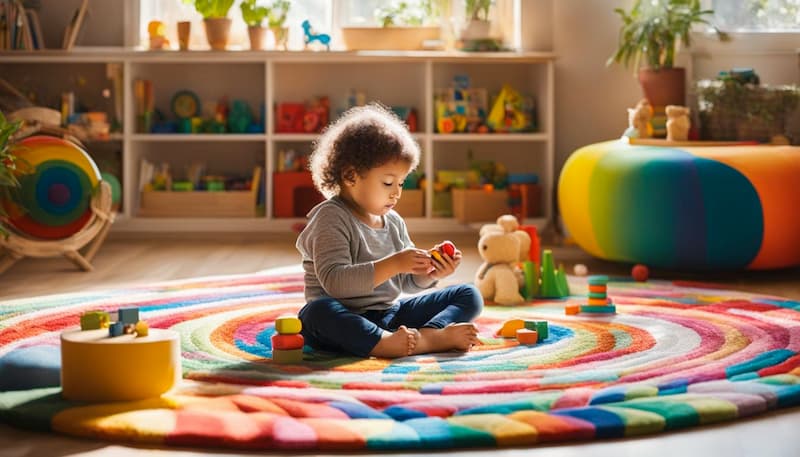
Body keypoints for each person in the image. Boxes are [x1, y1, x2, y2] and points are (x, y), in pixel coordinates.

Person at [296, 104, 483, 358]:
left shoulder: (392, 221)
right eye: (387, 182)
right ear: (350, 176)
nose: (396, 192)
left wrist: (430, 272)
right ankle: (387, 343)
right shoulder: (330, 217)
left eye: (401, 183)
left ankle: (429, 335)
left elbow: (406, 282)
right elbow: (336, 283)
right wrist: (394, 263)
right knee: (315, 314)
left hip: (389, 315)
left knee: (469, 294)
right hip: (345, 319)